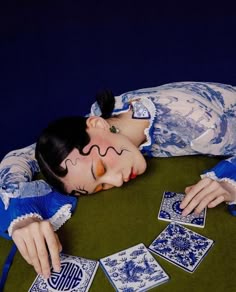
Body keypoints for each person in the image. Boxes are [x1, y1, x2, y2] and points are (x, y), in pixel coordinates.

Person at [1, 81, 236, 279]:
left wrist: (229, 181)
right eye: (101, 186)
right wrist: (23, 213)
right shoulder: (102, 124)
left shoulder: (204, 127)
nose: (117, 182)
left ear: (97, 125)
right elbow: (18, 157)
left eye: (101, 168)